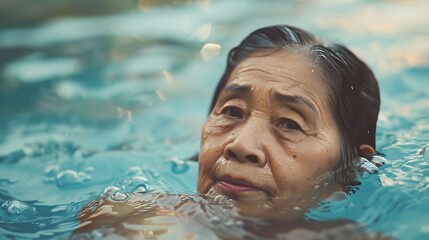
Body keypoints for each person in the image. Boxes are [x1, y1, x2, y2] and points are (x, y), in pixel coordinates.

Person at [73, 25, 383, 239]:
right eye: (232, 111)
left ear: (349, 169)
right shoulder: (125, 221)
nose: (241, 145)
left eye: (289, 123)